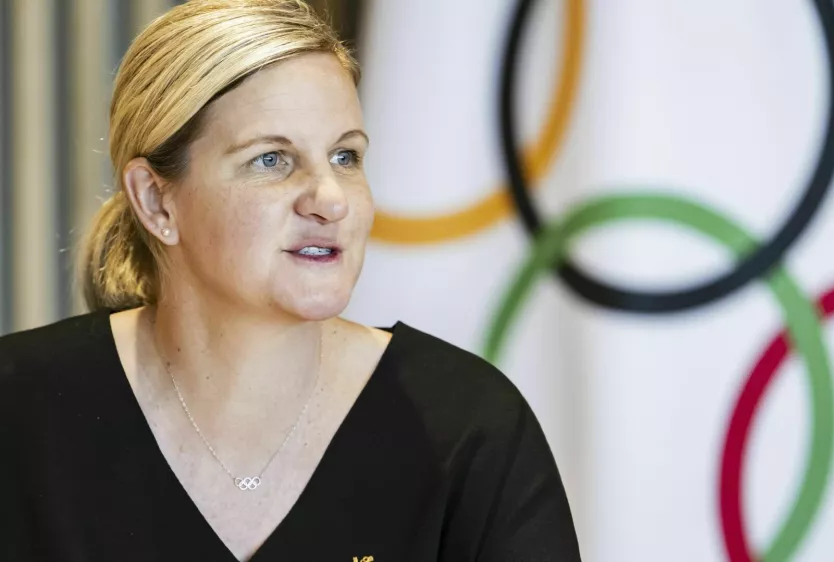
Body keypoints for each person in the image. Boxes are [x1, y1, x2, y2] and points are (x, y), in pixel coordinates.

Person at [0, 1, 581, 560]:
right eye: (271, 159)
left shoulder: (468, 426)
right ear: (156, 201)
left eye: (346, 157)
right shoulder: (20, 409)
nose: (331, 199)